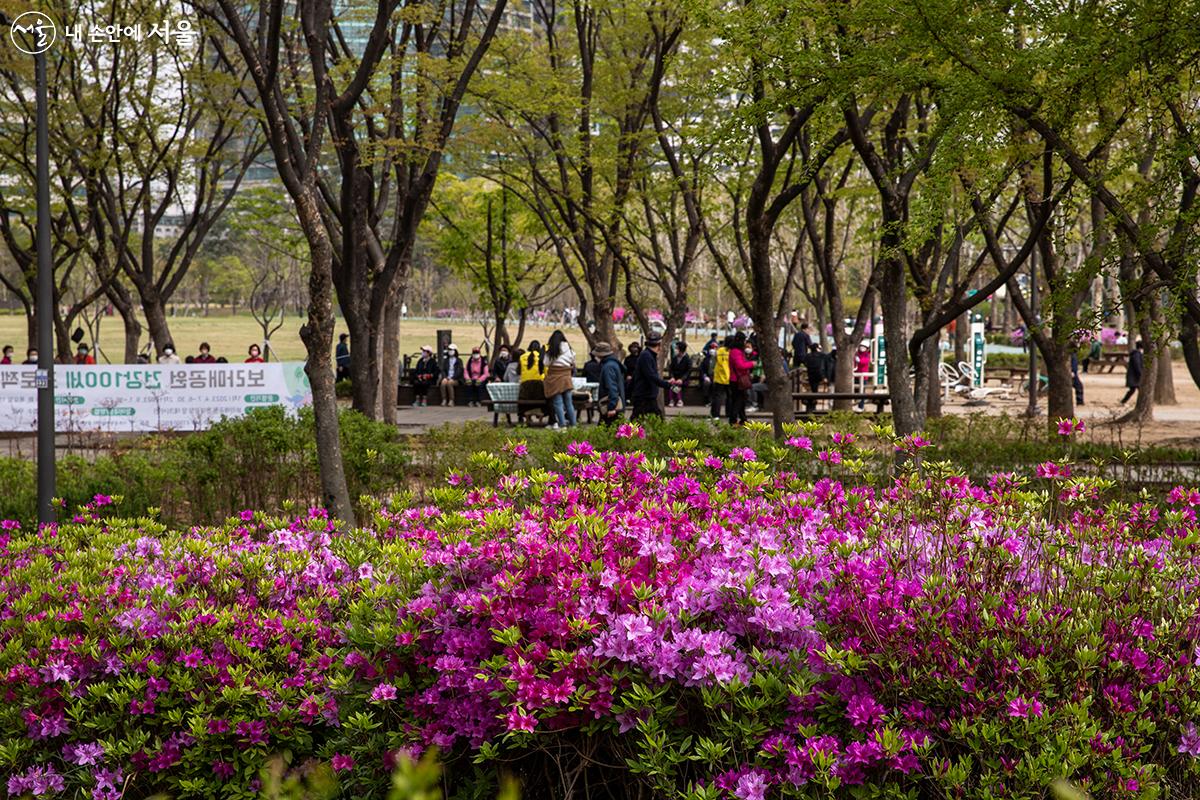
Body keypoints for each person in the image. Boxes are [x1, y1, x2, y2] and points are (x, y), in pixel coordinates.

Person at [630, 334, 674, 421]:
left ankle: (630, 433)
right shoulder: (646, 356)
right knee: (637, 419)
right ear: (658, 345)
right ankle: (629, 434)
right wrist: (666, 384)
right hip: (644, 396)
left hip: (647, 395)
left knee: (653, 418)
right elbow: (651, 375)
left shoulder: (648, 355)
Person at [544, 330, 577, 429]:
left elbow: (545, 363)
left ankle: (562, 426)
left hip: (554, 378)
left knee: (558, 403)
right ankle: (573, 424)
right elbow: (572, 361)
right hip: (566, 377)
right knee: (569, 403)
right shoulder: (569, 349)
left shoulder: (551, 351)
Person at [727, 332, 754, 426]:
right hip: (737, 380)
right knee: (738, 400)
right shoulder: (736, 352)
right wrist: (751, 364)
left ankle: (743, 418)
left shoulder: (736, 351)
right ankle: (733, 419)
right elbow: (740, 365)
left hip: (736, 379)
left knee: (740, 400)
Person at [594, 342, 625, 423]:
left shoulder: (608, 367)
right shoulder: (614, 364)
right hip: (617, 405)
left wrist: (611, 407)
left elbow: (612, 387)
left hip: (610, 407)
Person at [518, 340, 548, 420]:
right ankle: (540, 415)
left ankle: (527, 416)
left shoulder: (522, 357)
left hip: (525, 386)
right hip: (538, 385)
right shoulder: (540, 357)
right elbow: (546, 372)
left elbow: (519, 371)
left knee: (525, 401)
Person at [710, 336, 731, 420]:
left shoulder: (719, 351)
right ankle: (729, 413)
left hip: (719, 376)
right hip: (730, 377)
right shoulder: (732, 352)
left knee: (717, 397)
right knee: (729, 397)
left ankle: (715, 415)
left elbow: (713, 361)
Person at [1120, 340, 1144, 404]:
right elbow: (1137, 365)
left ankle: (1123, 401)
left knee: (1133, 390)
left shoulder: (1137, 354)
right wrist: (1140, 374)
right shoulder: (1136, 355)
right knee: (1137, 390)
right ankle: (1124, 401)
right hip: (1134, 376)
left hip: (1134, 376)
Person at [668, 342, 690, 407]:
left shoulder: (687, 359)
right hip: (675, 378)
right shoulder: (674, 358)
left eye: (676, 348)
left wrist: (681, 379)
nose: (675, 349)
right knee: (672, 383)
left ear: (681, 349)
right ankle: (673, 400)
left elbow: (688, 371)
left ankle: (678, 400)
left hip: (684, 380)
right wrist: (672, 377)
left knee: (676, 385)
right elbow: (671, 369)